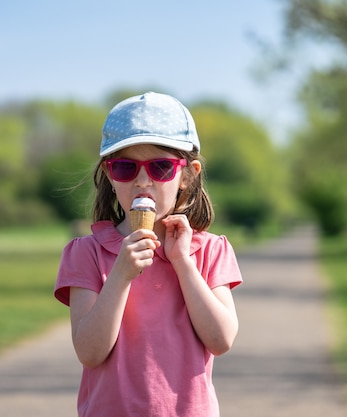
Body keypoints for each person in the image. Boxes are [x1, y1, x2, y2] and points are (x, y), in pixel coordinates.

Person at [54, 91, 243, 417]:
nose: (143, 181)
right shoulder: (86, 253)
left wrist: (183, 263)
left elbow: (221, 339)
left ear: (188, 174)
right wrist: (121, 274)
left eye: (160, 167)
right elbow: (89, 351)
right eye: (126, 167)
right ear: (110, 176)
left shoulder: (210, 250)